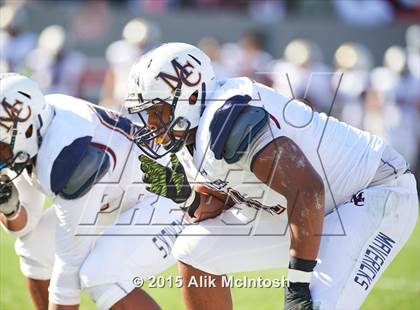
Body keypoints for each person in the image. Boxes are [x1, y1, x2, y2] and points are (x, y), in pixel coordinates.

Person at [125, 42, 418, 309]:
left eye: (158, 111)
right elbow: (217, 203)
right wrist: (187, 198)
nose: (151, 124)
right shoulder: (192, 137)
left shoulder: (228, 120)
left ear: (189, 98)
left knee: (314, 307)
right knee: (192, 250)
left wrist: (297, 284)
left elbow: (308, 190)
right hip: (304, 208)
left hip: (371, 191)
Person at [0, 73, 188, 310]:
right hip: (118, 197)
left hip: (170, 194)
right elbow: (25, 225)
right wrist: (11, 208)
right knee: (34, 246)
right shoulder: (38, 125)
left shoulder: (68, 153)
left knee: (101, 276)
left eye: (0, 146)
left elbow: (69, 269)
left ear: (25, 130)